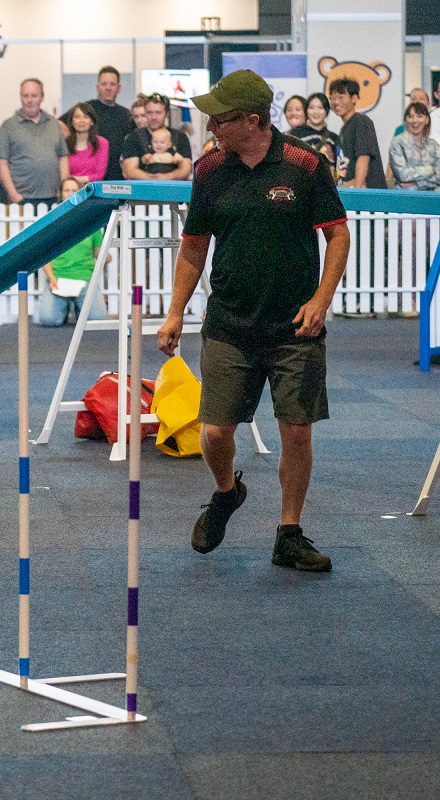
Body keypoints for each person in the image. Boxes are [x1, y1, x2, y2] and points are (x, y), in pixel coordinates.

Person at [156, 69, 350, 573]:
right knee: (215, 433)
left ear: (253, 120)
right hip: (230, 325)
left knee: (297, 431)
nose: (212, 126)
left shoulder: (306, 166)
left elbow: (338, 235)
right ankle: (227, 492)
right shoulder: (208, 171)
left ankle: (289, 532)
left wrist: (321, 300)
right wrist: (175, 310)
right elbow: (193, 247)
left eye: (220, 119)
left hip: (295, 328)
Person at [36, 178, 109, 326]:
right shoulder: (52, 222)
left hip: (85, 278)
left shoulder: (92, 222)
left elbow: (99, 254)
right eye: (66, 190)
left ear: (81, 193)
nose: (70, 194)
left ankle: (77, 306)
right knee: (49, 320)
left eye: (74, 191)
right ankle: (68, 308)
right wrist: (51, 278)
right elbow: (44, 257)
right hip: (58, 279)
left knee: (98, 319)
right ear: (61, 194)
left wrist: (106, 256)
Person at [0, 78, 69, 206]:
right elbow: (1, 163)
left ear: (42, 97)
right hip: (21, 200)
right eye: (25, 95)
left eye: (34, 95)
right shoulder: (8, 126)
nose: (29, 100)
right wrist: (13, 195)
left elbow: (63, 157)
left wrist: (64, 190)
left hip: (53, 199)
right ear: (20, 97)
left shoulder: (54, 124)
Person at [60, 66, 135, 181]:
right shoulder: (87, 109)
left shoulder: (126, 115)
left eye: (112, 84)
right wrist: (71, 141)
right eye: (104, 84)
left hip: (116, 176)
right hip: (88, 178)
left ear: (119, 88)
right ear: (97, 87)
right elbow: (59, 123)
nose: (108, 88)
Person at [329, 78, 387, 189]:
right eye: (332, 98)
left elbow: (363, 157)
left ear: (354, 98)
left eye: (341, 97)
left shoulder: (360, 121)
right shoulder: (344, 128)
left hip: (365, 196)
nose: (336, 102)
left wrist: (357, 191)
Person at [120, 94, 192, 181]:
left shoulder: (180, 137)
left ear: (166, 114)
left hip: (172, 190)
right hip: (143, 190)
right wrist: (153, 179)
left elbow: (186, 169)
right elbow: (129, 171)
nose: (153, 117)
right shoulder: (133, 137)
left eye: (158, 113)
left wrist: (166, 177)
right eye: (149, 113)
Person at [389, 102, 440, 190]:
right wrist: (431, 169)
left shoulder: (434, 145)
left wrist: (416, 182)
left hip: (432, 198)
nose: (414, 120)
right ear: (405, 119)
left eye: (419, 116)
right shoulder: (397, 143)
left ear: (427, 120)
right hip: (406, 198)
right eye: (410, 116)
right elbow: (403, 175)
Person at [288, 93, 340, 168]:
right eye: (311, 108)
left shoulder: (333, 138)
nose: (316, 112)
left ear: (327, 111)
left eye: (320, 108)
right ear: (306, 111)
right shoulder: (295, 134)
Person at [65, 102, 109, 184]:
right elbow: (63, 175)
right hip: (71, 191)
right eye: (77, 117)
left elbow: (99, 175)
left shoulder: (102, 143)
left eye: (86, 117)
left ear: (92, 121)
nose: (81, 121)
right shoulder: (64, 144)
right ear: (72, 121)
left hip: (94, 192)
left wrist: (72, 179)